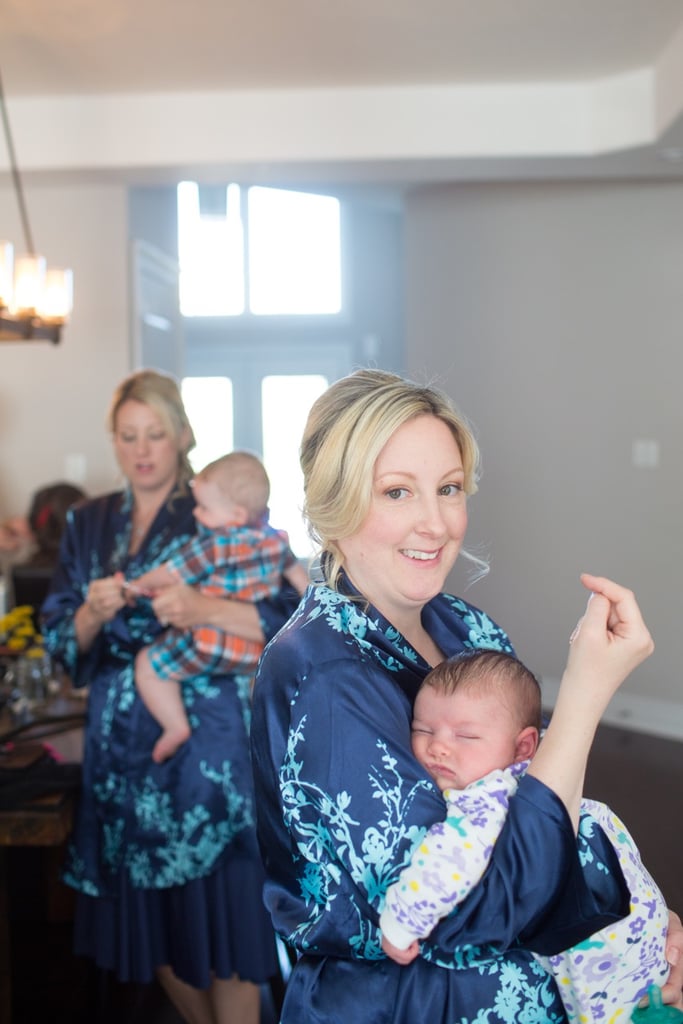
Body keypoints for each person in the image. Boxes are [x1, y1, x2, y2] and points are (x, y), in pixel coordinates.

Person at [250, 368, 683, 1024]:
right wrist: (584, 697)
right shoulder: (325, 678)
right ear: (332, 504)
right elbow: (460, 914)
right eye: (396, 492)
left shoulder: (466, 628)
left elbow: (537, 809)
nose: (435, 523)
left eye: (448, 489)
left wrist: (635, 920)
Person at [42, 368, 300, 1024]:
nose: (142, 449)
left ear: (182, 434)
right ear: (115, 442)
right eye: (128, 436)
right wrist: (93, 614)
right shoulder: (88, 522)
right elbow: (62, 649)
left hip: (207, 746)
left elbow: (293, 615)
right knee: (147, 926)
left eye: (156, 433)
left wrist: (203, 605)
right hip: (119, 748)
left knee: (225, 929)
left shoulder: (218, 502)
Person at [379, 649, 669, 1020]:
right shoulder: (548, 775)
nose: (438, 746)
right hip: (640, 923)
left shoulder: (489, 795)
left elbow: (450, 859)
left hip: (603, 948)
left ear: (523, 747)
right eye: (422, 729)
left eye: (466, 735)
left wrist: (402, 920)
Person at [127, 450, 308, 763]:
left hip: (209, 643)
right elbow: (303, 585)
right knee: (262, 692)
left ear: (236, 515)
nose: (197, 514)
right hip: (253, 651)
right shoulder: (277, 541)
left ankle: (174, 726)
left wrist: (137, 584)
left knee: (147, 665)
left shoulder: (213, 545)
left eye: (205, 508)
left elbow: (170, 573)